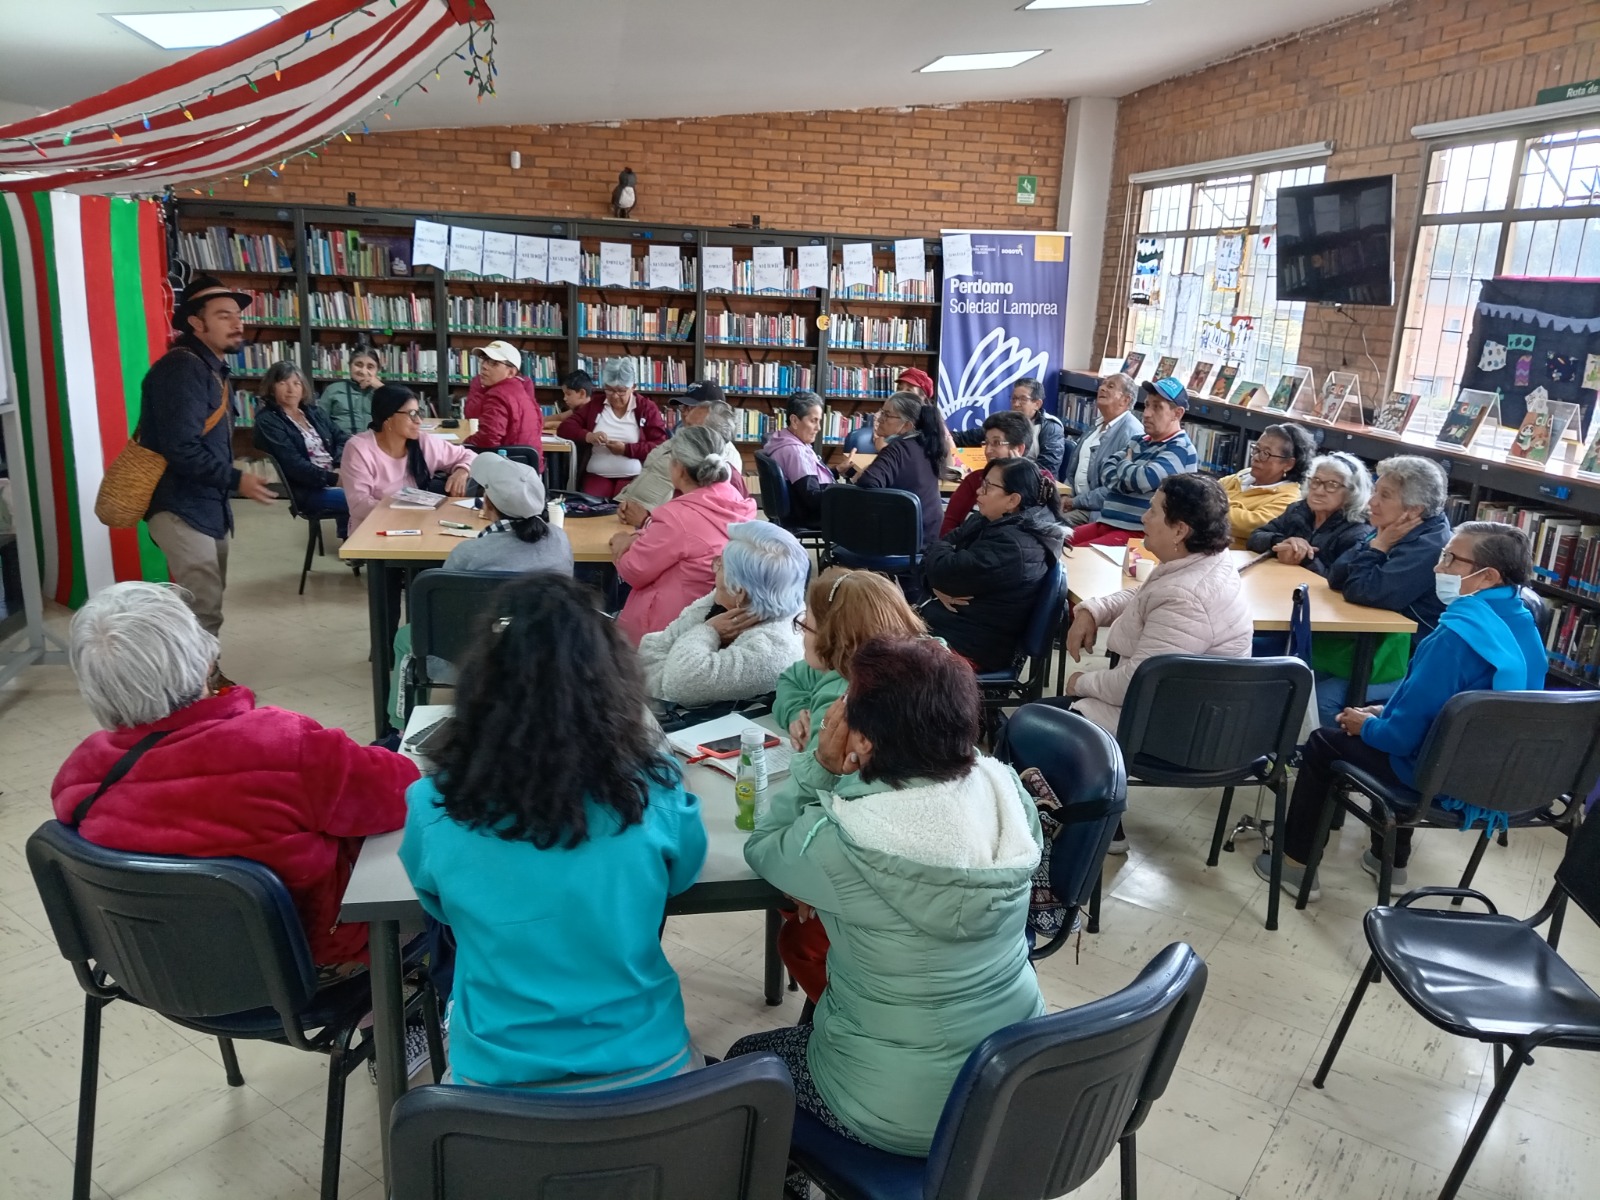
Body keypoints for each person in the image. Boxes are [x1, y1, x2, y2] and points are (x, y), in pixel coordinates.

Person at [731, 637, 1044, 1159]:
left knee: (750, 1059)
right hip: (1011, 1084)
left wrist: (820, 769)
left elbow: (764, 846)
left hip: (896, 1112)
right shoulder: (1004, 789)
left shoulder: (845, 839)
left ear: (866, 743)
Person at [400, 573, 707, 1089]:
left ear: (481, 684)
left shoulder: (432, 805)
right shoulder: (657, 791)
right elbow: (682, 876)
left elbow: (438, 907)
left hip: (495, 1090)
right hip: (649, 1076)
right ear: (614, 683)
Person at [52, 582, 417, 968]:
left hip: (158, 970)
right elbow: (401, 793)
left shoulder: (80, 775)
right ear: (205, 660)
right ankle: (395, 1016)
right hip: (309, 969)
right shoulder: (285, 744)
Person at [1257, 522, 1547, 900]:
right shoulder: (1525, 624)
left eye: (1451, 559)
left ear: (1487, 576)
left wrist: (1368, 724)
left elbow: (1401, 737)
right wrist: (1386, 712)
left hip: (1439, 777)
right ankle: (1389, 862)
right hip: (1495, 773)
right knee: (1402, 729)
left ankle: (1294, 865)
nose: (1438, 568)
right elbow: (1449, 707)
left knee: (1324, 744)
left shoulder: (1456, 635)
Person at [770, 568, 931, 1005]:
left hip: (890, 876)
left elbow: (801, 821)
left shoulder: (856, 710)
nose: (801, 633)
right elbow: (791, 680)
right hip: (903, 867)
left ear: (836, 639)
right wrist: (793, 713)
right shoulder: (921, 669)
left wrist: (813, 883)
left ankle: (845, 1013)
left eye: (806, 624)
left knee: (797, 940)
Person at [386, 452, 573, 730]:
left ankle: (402, 727)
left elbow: (444, 613)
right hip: (544, 655)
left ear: (487, 502)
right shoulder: (560, 540)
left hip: (477, 660)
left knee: (406, 638)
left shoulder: (469, 553)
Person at [139, 273, 276, 642]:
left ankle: (198, 680)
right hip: (181, 506)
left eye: (237, 314)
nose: (237, 323)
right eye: (223, 315)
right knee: (203, 608)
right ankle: (198, 690)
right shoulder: (181, 370)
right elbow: (181, 448)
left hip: (206, 506)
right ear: (196, 323)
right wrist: (238, 479)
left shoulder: (210, 368)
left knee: (204, 602)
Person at [1062, 474, 1252, 732]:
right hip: (1171, 711)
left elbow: (1136, 683)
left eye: (1152, 511)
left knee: (1027, 727)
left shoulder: (1186, 598)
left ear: (1180, 530)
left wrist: (1081, 681)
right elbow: (1145, 595)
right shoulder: (1202, 561)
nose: (1143, 518)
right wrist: (1093, 611)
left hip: (1170, 731)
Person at [1314, 455, 1453, 726]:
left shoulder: (1430, 547)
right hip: (1376, 648)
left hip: (1409, 662)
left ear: (1413, 510)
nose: (1372, 502)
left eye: (1384, 495)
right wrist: (1377, 545)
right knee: (1301, 671)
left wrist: (1377, 548)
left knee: (1324, 698)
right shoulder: (1389, 531)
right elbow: (1337, 575)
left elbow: (1363, 590)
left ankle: (1331, 763)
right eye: (1375, 490)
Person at [638, 521, 808, 708]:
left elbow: (678, 685)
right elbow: (651, 648)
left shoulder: (773, 648)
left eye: (721, 564)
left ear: (740, 592)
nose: (715, 568)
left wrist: (708, 631)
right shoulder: (727, 601)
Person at [612, 425, 758, 642]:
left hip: (666, 627)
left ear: (678, 468)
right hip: (711, 616)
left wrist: (622, 544)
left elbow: (633, 570)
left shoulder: (676, 517)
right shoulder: (738, 502)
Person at [922, 457, 1067, 672]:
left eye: (988, 487)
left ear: (1013, 500)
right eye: (982, 484)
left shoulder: (1013, 545)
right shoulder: (990, 520)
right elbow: (939, 559)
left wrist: (941, 574)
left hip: (971, 648)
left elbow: (943, 565)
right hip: (953, 627)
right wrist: (938, 584)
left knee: (873, 648)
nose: (979, 492)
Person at [1068, 375, 1197, 547]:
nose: (1147, 414)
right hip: (1107, 522)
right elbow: (1106, 471)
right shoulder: (1139, 440)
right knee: (1051, 542)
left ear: (1177, 413)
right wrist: (1129, 478)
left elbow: (1143, 478)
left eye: (1157, 407)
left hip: (1137, 532)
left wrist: (1125, 467)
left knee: (1075, 555)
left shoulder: (1180, 448)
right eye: (1147, 405)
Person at [341, 384, 475, 531]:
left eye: (419, 413)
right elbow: (359, 505)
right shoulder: (358, 449)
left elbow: (469, 455)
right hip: (372, 531)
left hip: (417, 527)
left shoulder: (423, 442)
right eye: (411, 414)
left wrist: (462, 471)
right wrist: (406, 510)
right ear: (389, 418)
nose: (419, 421)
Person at [616, 382, 745, 521]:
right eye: (683, 407)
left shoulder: (722, 457)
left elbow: (704, 515)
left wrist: (646, 520)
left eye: (691, 408)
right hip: (626, 510)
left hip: (654, 523)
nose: (684, 414)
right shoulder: (682, 436)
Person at [251, 360, 350, 538]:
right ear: (271, 387)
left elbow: (342, 438)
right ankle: (361, 549)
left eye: (296, 383)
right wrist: (333, 478)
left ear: (303, 387)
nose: (291, 389)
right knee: (365, 501)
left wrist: (338, 464)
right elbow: (293, 464)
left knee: (380, 490)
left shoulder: (313, 412)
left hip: (336, 476)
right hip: (309, 490)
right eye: (283, 383)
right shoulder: (268, 421)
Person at [1246, 451, 1373, 576]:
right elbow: (1255, 538)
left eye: (1332, 485)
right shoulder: (1298, 510)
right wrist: (1283, 542)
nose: (1319, 491)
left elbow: (1339, 581)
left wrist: (1304, 557)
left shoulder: (1357, 532)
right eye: (1316, 481)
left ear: (1352, 493)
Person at [556, 358, 670, 498]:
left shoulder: (646, 408)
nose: (615, 397)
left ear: (633, 387)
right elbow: (565, 428)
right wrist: (588, 436)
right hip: (597, 474)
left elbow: (660, 445)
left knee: (622, 507)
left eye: (621, 391)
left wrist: (626, 449)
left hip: (632, 476)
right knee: (592, 506)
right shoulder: (596, 405)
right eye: (609, 390)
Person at [853, 389, 949, 546]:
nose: (879, 419)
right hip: (926, 539)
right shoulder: (925, 446)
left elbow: (868, 481)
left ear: (907, 426)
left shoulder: (897, 449)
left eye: (887, 415)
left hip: (902, 541)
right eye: (881, 412)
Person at [939, 409, 1042, 535]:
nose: (988, 450)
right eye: (986, 443)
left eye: (996, 443)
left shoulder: (1040, 482)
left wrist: (1018, 476)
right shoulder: (974, 479)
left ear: (1018, 449)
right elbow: (949, 525)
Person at [1061, 372, 1143, 528]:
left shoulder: (1132, 433)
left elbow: (1114, 489)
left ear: (1126, 400)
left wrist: (1074, 502)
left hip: (1097, 510)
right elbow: (1072, 472)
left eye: (1110, 386)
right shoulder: (1096, 425)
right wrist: (1065, 495)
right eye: (1103, 384)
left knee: (1050, 528)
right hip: (1075, 502)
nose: (1102, 388)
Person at [1218, 422, 1316, 547]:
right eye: (1256, 449)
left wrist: (1211, 505)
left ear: (1288, 464)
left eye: (1266, 453)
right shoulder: (1245, 474)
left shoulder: (1289, 498)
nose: (1256, 457)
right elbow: (1208, 491)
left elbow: (1249, 525)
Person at [952, 379, 1069, 477]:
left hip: (1034, 483)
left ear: (1037, 404)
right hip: (1002, 478)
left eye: (1023, 399)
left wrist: (1018, 467)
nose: (1016, 404)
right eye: (1014, 399)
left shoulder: (1051, 427)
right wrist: (944, 436)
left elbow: (1048, 468)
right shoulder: (1007, 422)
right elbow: (965, 438)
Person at [763, 390, 838, 523]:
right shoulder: (796, 451)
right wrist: (846, 494)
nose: (818, 428)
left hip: (796, 510)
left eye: (819, 421)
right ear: (794, 420)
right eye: (813, 421)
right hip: (807, 516)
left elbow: (804, 481)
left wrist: (837, 471)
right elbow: (812, 498)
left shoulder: (781, 439)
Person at [462, 340, 544, 458]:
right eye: (484, 360)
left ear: (511, 372)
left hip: (506, 470)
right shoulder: (520, 391)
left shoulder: (498, 395)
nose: (484, 366)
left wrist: (463, 445)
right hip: (529, 469)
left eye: (493, 363)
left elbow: (488, 439)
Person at [321, 346, 383, 437]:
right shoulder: (333, 389)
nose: (363, 371)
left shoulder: (383, 392)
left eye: (370, 367)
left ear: (377, 370)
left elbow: (406, 412)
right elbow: (319, 422)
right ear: (350, 366)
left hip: (375, 446)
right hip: (341, 445)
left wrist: (381, 387)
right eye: (358, 365)